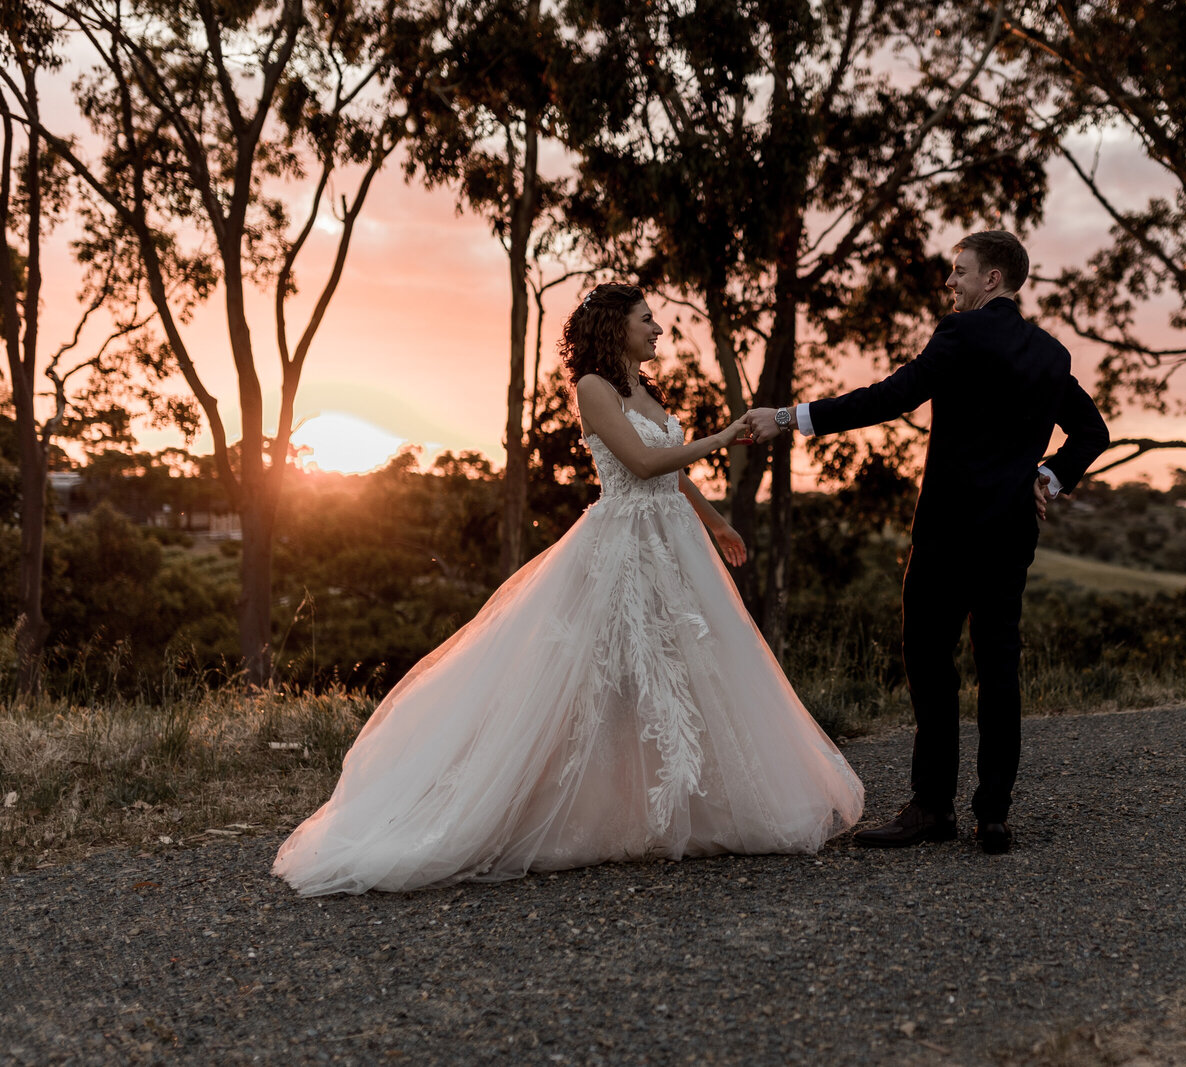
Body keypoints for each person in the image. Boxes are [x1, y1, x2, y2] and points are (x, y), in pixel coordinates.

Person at [274, 283, 863, 896]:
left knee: (686, 671)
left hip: (673, 540)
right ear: (616, 328)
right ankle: (563, 810)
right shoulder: (594, 389)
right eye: (647, 319)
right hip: (622, 546)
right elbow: (639, 463)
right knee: (597, 678)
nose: (658, 329)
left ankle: (674, 806)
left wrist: (713, 520)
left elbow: (671, 469)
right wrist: (724, 438)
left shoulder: (645, 390)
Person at [746, 231, 1109, 855]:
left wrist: (788, 418)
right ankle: (992, 817)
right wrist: (1046, 477)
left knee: (929, 663)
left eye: (960, 271)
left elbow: (891, 397)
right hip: (1009, 536)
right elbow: (1092, 431)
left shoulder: (961, 334)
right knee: (1000, 669)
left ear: (992, 279)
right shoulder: (1050, 355)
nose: (951, 282)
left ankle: (931, 808)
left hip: (947, 533)